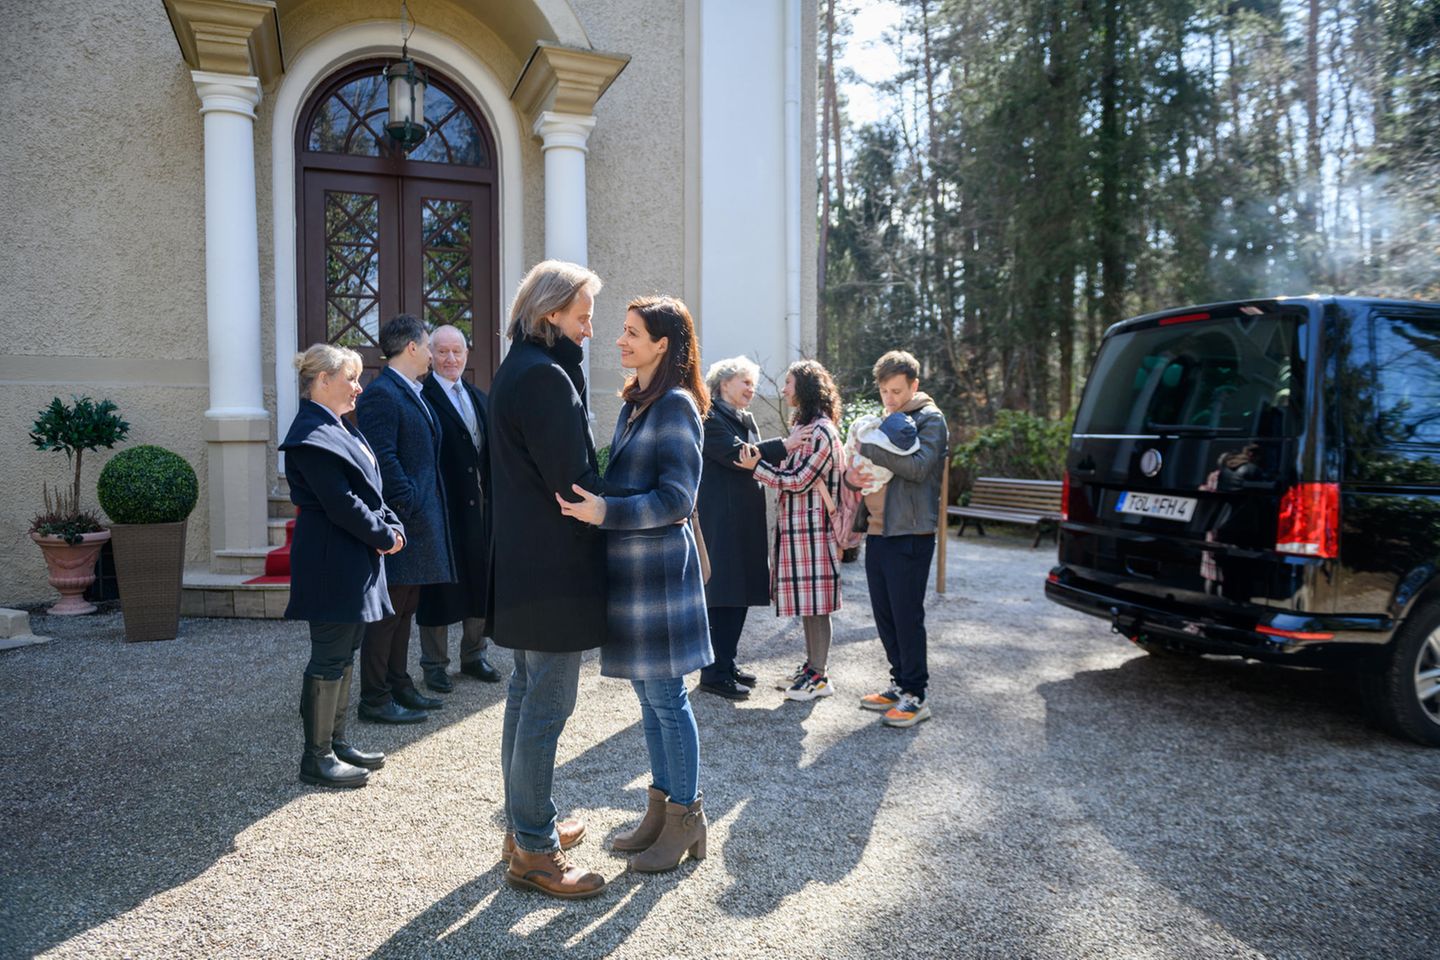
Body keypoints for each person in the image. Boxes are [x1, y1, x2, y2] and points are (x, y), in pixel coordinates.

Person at [560, 296, 713, 873]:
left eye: (631, 333)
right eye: (622, 331)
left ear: (662, 344)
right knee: (652, 702)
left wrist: (606, 513)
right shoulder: (636, 403)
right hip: (634, 575)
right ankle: (661, 813)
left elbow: (678, 500)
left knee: (668, 701)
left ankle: (687, 817)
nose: (619, 341)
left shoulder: (675, 407)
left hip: (659, 576)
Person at [489, 260, 611, 899]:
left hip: (525, 562)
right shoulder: (546, 378)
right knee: (547, 706)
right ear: (551, 314)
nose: (591, 328)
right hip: (554, 567)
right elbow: (574, 483)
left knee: (526, 693)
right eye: (584, 315)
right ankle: (533, 849)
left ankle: (524, 827)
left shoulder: (521, 368)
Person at [280, 344, 404, 788]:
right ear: (323, 381)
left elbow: (370, 490)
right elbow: (341, 503)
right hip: (331, 560)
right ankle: (316, 758)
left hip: (353, 558)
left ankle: (336, 742)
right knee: (329, 656)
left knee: (346, 650)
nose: (358, 387)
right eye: (350, 378)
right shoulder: (309, 434)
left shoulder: (340, 427)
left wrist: (391, 522)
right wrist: (384, 535)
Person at [354, 314, 456, 724]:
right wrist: (409, 505)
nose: (433, 354)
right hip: (402, 521)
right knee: (388, 614)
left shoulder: (411, 390)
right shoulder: (382, 394)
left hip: (417, 521)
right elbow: (384, 457)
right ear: (411, 347)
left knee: (406, 607)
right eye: (429, 346)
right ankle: (374, 698)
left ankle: (399, 683)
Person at [849, 350, 948, 728]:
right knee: (885, 615)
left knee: (907, 616)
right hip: (878, 531)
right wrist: (851, 477)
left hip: (910, 533)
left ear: (914, 385)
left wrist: (868, 446)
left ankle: (917, 695)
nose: (890, 399)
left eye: (897, 391)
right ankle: (900, 683)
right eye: (885, 392)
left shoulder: (931, 419)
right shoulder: (887, 419)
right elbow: (858, 471)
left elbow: (919, 467)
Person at [739, 359, 845, 702]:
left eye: (789, 382)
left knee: (818, 606)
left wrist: (757, 468)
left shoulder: (822, 432)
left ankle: (820, 674)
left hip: (814, 530)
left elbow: (799, 481)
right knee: (809, 604)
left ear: (806, 388)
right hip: (801, 530)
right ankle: (813, 669)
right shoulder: (807, 427)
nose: (784, 389)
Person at [694, 356, 797, 700]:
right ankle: (713, 673)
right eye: (745, 382)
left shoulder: (745, 418)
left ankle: (728, 662)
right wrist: (786, 445)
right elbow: (740, 455)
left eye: (753, 383)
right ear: (724, 384)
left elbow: (757, 458)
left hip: (744, 519)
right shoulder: (710, 418)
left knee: (738, 594)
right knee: (722, 595)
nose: (751, 389)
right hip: (721, 521)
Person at [416, 324, 501, 690]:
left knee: (479, 582)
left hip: (479, 509)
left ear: (467, 355)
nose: (451, 359)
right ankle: (434, 664)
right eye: (443, 352)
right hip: (442, 509)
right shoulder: (423, 396)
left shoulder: (479, 396)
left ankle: (474, 655)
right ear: (430, 355)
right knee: (437, 590)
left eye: (458, 352)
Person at [844, 409, 920, 495]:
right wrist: (849, 479)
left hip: (890, 502)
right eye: (884, 393)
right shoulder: (906, 438)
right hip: (874, 496)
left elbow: (917, 469)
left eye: (897, 394)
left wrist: (864, 449)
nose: (889, 397)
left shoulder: (930, 418)